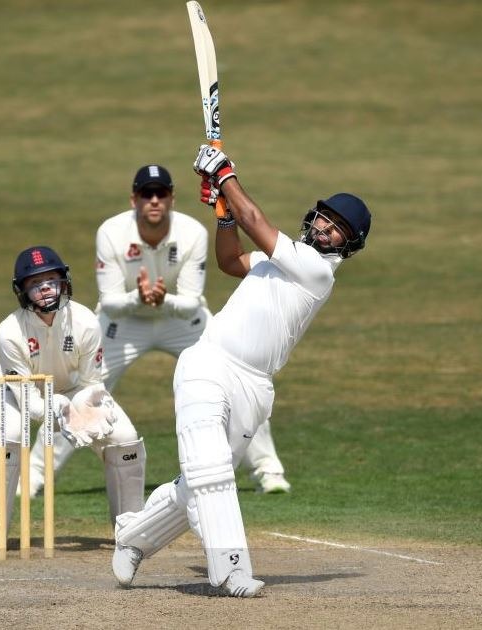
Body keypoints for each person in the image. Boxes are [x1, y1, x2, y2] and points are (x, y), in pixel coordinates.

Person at [110, 145, 372, 596]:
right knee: (210, 471)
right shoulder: (281, 256)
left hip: (254, 387)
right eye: (325, 219)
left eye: (337, 229)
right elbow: (231, 262)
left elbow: (257, 223)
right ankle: (231, 569)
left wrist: (225, 175)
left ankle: (134, 536)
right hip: (209, 363)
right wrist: (224, 217)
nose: (325, 229)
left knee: (199, 483)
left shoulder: (316, 271)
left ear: (347, 246)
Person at [23, 164, 293, 497]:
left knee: (237, 379)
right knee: (83, 393)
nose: (154, 200)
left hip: (181, 321)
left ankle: (268, 471)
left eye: (160, 193)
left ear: (171, 199)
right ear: (133, 199)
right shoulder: (111, 232)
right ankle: (34, 476)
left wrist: (162, 300)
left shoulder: (192, 232)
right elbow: (109, 302)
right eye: (146, 194)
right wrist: (141, 297)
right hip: (124, 323)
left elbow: (192, 301)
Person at [0, 245, 146, 554]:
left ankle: (130, 526)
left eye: (51, 280)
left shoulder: (87, 322)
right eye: (35, 283)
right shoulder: (9, 332)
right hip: (13, 388)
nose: (45, 288)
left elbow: (92, 382)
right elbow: (28, 400)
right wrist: (58, 412)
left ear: (64, 282)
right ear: (22, 291)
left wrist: (87, 409)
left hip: (71, 388)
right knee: (7, 438)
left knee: (125, 437)